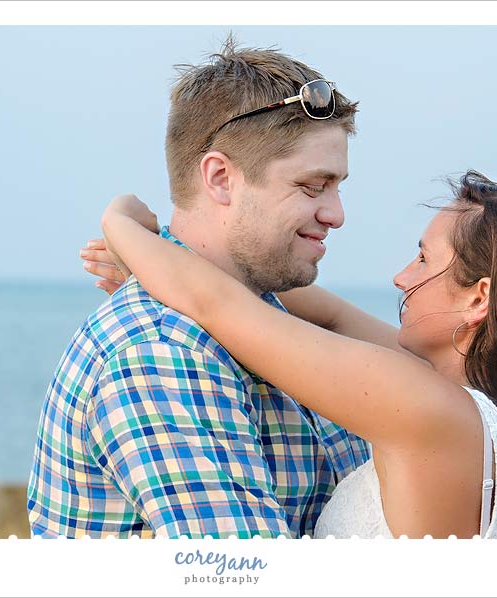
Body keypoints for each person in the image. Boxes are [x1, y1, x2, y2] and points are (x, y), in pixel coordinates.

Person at [84, 171, 497, 538]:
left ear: (479, 297)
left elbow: (218, 306)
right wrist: (174, 254)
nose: (401, 276)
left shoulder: (423, 406)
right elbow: (329, 314)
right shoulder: (492, 418)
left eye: (424, 258)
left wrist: (122, 222)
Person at [27, 38, 371, 539]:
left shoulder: (271, 314)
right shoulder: (162, 354)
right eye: (311, 187)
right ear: (221, 178)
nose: (336, 215)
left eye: (338, 187)